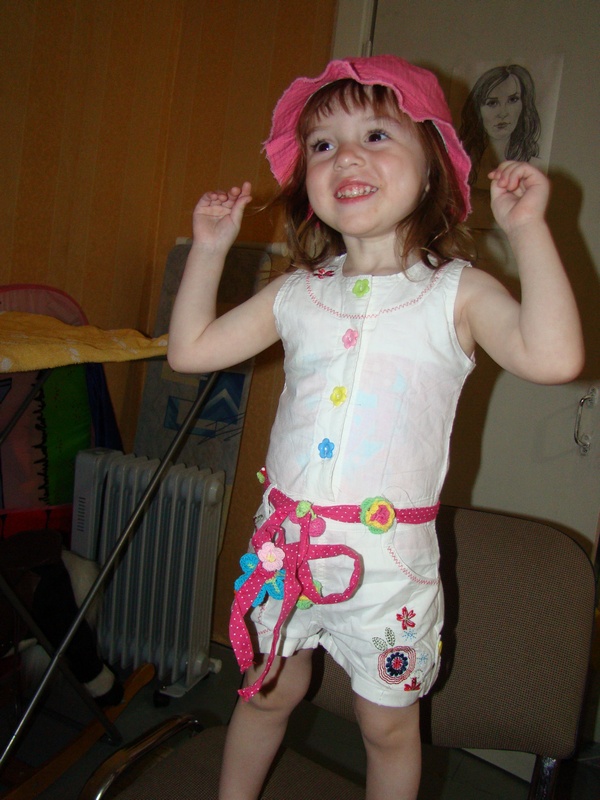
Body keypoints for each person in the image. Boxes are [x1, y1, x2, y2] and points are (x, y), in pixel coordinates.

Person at [167, 55, 583, 800]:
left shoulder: (457, 294)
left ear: (432, 168)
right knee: (264, 694)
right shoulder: (297, 293)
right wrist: (209, 249)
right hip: (283, 549)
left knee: (386, 728)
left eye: (377, 135)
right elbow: (190, 351)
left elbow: (554, 358)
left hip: (390, 568)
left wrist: (527, 232)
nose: (346, 157)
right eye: (322, 144)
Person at [460, 64, 542, 187]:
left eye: (513, 100)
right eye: (492, 103)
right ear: (477, 110)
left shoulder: (535, 169)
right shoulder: (461, 166)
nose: (503, 113)